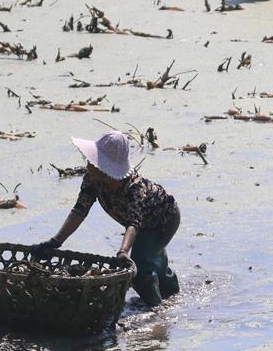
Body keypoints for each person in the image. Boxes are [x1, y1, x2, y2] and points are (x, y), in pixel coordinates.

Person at [30, 131, 180, 307]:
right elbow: (79, 210)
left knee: (142, 268)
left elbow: (133, 225)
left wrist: (123, 251)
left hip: (163, 220)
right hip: (141, 223)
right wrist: (56, 241)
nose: (88, 164)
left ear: (105, 168)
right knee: (152, 256)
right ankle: (171, 292)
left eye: (93, 161)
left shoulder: (134, 189)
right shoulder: (92, 179)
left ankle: (156, 309)